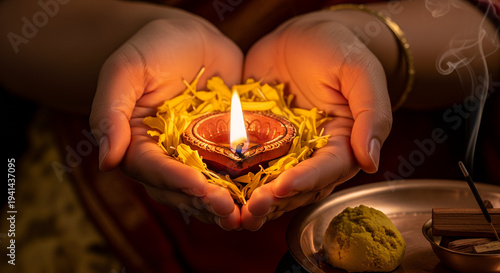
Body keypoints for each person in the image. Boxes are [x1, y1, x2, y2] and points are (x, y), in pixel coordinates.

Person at [1, 0, 499, 272]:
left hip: (399, 197)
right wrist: (144, 35)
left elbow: (485, 24)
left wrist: (369, 45)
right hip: (89, 219)